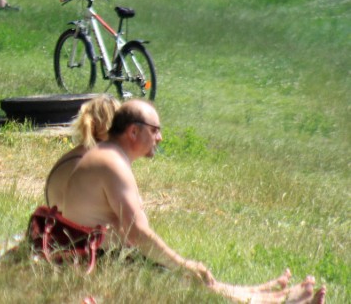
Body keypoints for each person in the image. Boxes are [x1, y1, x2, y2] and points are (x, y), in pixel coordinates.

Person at [35, 100, 326, 304]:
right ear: (132, 131)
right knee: (182, 279)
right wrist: (183, 264)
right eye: (155, 130)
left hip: (71, 259)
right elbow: (137, 233)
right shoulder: (112, 163)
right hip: (93, 267)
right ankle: (269, 300)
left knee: (178, 273)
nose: (160, 138)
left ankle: (262, 296)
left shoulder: (83, 158)